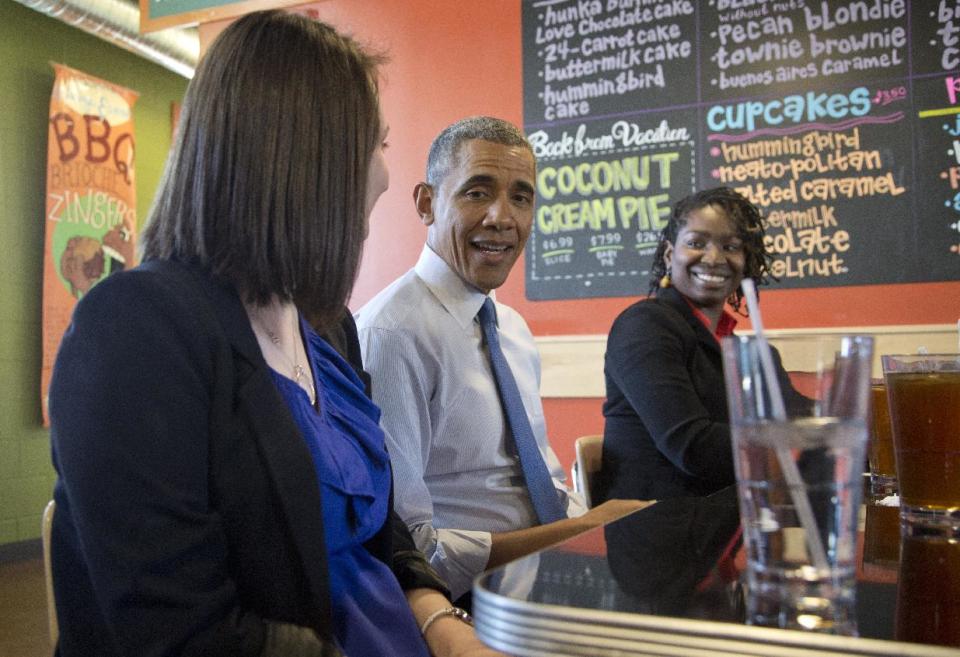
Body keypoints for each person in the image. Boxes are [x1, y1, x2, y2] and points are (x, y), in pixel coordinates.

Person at [48, 12, 503, 657]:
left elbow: (375, 522)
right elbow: (177, 633)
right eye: (376, 146)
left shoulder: (328, 325)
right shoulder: (133, 330)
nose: (382, 177)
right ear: (304, 158)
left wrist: (441, 623)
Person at [355, 116, 646, 601]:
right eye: (477, 192)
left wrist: (600, 533)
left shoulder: (509, 327)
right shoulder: (391, 334)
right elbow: (414, 552)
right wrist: (576, 534)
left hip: (550, 584)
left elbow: (545, 484)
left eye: (521, 197)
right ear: (426, 203)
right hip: (468, 607)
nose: (502, 217)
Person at [598, 186, 802, 503]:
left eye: (731, 246)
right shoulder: (645, 326)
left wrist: (858, 423)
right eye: (696, 243)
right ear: (669, 255)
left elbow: (799, 416)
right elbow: (693, 449)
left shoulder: (751, 353)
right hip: (655, 531)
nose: (714, 258)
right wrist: (807, 439)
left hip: (727, 529)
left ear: (746, 262)